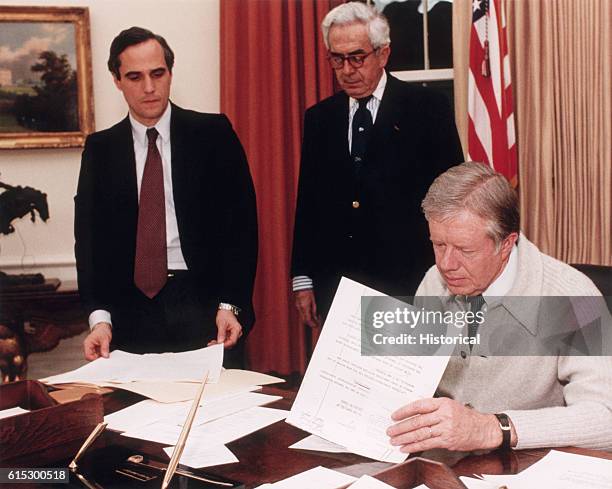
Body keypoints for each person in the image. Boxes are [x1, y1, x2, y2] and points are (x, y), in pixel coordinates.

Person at [387, 162, 612, 451]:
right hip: (439, 461)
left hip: (519, 466)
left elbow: (605, 417)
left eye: (465, 250)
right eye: (439, 245)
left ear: (506, 244)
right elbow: (409, 375)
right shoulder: (434, 280)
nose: (446, 264)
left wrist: (494, 428)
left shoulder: (572, 296)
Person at [75, 27, 257, 366]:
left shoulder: (213, 134)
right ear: (116, 80)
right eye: (134, 76)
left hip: (202, 305)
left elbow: (241, 229)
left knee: (213, 413)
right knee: (131, 415)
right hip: (129, 315)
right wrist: (99, 319)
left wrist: (230, 305)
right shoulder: (100, 150)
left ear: (170, 73)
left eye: (157, 73)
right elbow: (89, 243)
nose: (148, 87)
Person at [291, 2, 463, 328]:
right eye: (336, 59)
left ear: (383, 54)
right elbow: (309, 201)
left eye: (357, 57)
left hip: (410, 282)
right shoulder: (319, 118)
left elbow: (452, 200)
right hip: (338, 284)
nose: (346, 69)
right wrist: (303, 277)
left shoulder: (427, 109)